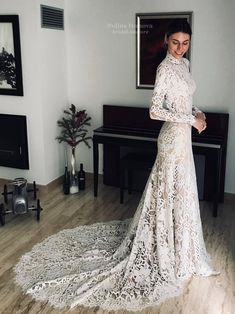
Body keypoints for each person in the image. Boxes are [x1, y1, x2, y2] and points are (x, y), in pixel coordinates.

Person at [14, 19, 217, 312]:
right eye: (175, 42)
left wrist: (198, 113)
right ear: (165, 40)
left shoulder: (183, 66)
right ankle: (165, 250)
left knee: (182, 193)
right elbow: (155, 110)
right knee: (168, 191)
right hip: (172, 139)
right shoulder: (164, 68)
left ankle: (182, 249)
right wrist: (190, 119)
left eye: (185, 43)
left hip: (184, 137)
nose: (180, 48)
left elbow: (184, 102)